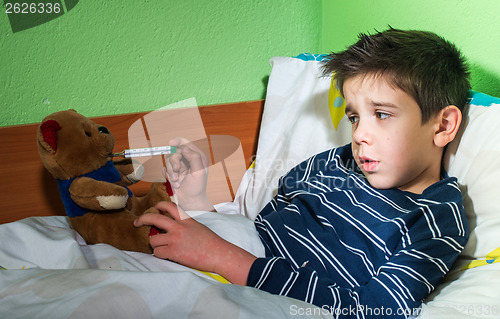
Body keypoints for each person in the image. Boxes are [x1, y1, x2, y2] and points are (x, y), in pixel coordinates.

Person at [134, 27, 470, 317]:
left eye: (381, 114)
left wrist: (221, 256)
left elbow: (371, 310)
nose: (358, 135)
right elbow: (260, 224)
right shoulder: (335, 163)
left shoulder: (436, 217)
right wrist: (199, 203)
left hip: (273, 298)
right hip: (231, 256)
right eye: (354, 117)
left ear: (443, 125)